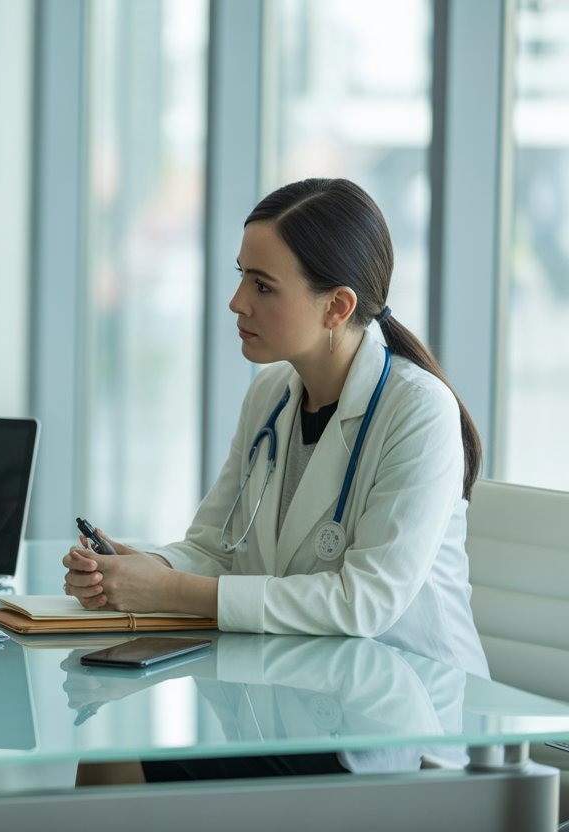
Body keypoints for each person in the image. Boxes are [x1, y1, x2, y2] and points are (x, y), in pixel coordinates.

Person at [64, 177, 489, 781]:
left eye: (262, 285)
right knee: (108, 759)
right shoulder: (272, 393)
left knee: (116, 769)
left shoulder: (418, 411)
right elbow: (215, 547)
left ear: (337, 306)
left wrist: (166, 593)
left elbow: (361, 602)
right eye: (242, 276)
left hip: (402, 732)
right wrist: (138, 570)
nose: (238, 302)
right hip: (293, 698)